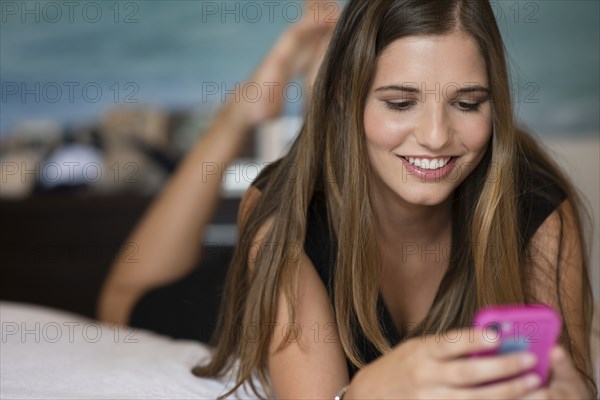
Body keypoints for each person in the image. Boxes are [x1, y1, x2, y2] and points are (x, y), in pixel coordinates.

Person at [99, 1, 597, 399]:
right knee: (121, 304)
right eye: (400, 103)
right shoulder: (285, 208)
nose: (436, 135)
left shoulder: (535, 206)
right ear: (347, 102)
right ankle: (245, 109)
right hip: (258, 276)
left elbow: (569, 381)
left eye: (468, 103)